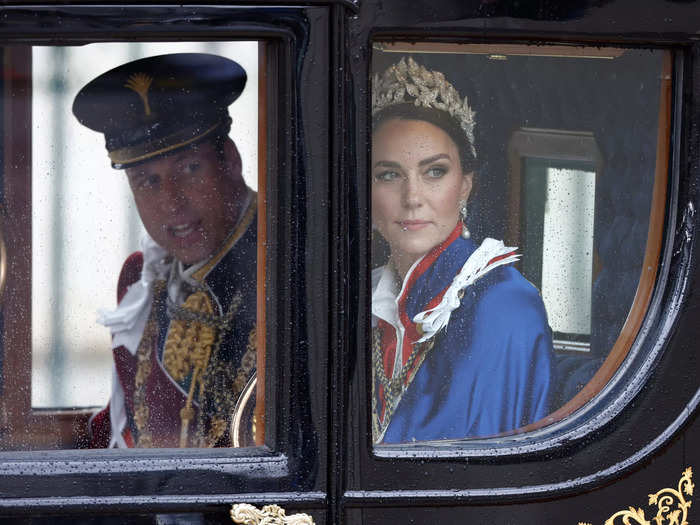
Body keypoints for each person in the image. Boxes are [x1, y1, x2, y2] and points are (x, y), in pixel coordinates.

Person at [72, 53, 257, 448]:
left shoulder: (290, 261)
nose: (170, 203)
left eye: (190, 169)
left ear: (231, 161)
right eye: (147, 181)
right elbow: (126, 433)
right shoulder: (140, 280)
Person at [371, 57, 555, 444]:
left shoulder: (504, 304)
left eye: (434, 171)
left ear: (466, 185)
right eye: (389, 175)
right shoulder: (368, 297)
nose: (412, 197)